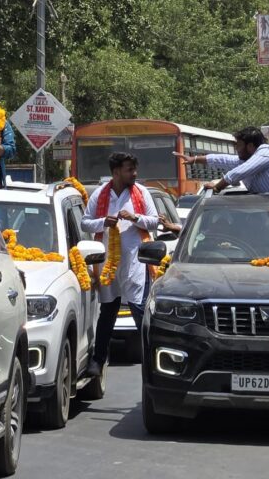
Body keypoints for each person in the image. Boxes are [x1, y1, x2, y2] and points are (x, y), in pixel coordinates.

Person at [81, 152, 158, 377]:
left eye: (134, 169)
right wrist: (104, 221)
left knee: (139, 312)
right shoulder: (100, 194)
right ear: (116, 173)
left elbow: (155, 221)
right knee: (108, 311)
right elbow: (86, 223)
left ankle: (153, 362)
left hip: (135, 261)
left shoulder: (141, 193)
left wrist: (135, 218)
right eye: (129, 170)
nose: (134, 174)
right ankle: (98, 360)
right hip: (108, 262)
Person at [174, 126, 269, 195]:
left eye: (239, 145)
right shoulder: (246, 159)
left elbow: (240, 172)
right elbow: (222, 160)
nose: (236, 148)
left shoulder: (268, 152)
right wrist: (195, 159)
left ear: (251, 146)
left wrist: (217, 187)